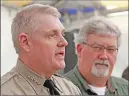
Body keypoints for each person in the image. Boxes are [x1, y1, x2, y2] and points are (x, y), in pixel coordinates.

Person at [1, 4, 82, 95]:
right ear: (26, 42)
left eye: (62, 34)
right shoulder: (5, 91)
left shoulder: (70, 89)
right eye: (51, 35)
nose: (64, 42)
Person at [64, 16, 128, 95]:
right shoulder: (59, 89)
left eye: (110, 49)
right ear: (79, 49)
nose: (104, 56)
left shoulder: (125, 89)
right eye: (97, 48)